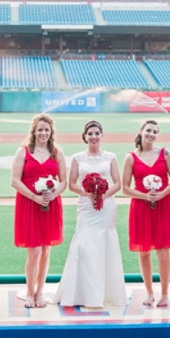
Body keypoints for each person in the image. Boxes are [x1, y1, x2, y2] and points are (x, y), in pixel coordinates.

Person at [53, 121, 127, 307]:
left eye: (96, 133)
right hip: (86, 206)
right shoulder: (78, 158)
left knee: (104, 242)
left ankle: (106, 292)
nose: (93, 137)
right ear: (84, 136)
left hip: (106, 206)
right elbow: (72, 184)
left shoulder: (110, 157)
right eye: (90, 134)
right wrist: (89, 194)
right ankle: (80, 292)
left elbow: (117, 183)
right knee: (84, 245)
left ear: (102, 136)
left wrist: (102, 195)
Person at [11, 113, 67, 308]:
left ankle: (40, 292)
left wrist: (53, 194)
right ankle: (29, 292)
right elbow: (15, 180)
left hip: (50, 205)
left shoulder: (56, 152)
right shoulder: (24, 151)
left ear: (51, 132)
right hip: (29, 204)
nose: (43, 133)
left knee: (45, 250)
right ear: (34, 131)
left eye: (46, 130)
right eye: (40, 130)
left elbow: (64, 182)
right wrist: (34, 196)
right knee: (33, 251)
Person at [121, 119, 170, 307]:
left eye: (155, 131)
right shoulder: (131, 157)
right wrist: (145, 196)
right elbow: (125, 188)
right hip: (140, 206)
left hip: (163, 206)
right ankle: (149, 292)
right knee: (144, 251)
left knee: (163, 251)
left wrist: (161, 194)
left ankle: (165, 293)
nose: (151, 134)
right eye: (148, 130)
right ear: (141, 131)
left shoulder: (165, 153)